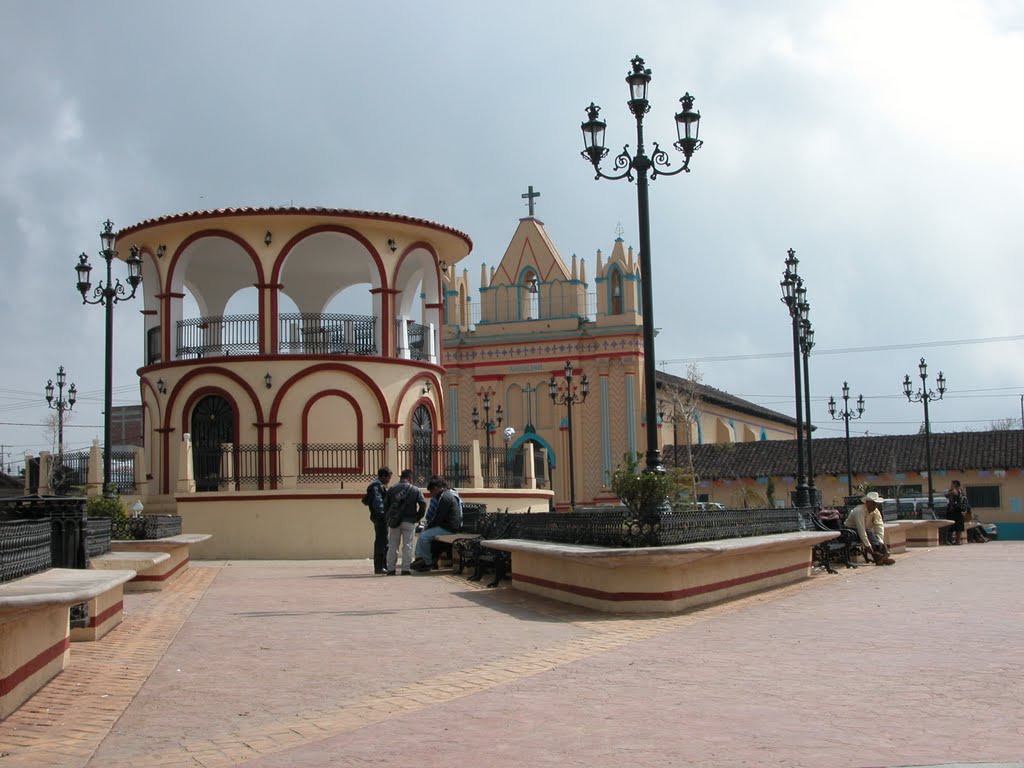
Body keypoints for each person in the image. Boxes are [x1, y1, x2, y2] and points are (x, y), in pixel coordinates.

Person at [410, 475, 461, 572]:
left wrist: (429, 525)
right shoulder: (444, 496)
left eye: (431, 491)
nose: (431, 494)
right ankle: (420, 558)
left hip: (449, 528)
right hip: (446, 526)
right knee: (423, 533)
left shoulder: (445, 498)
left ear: (436, 488)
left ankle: (427, 562)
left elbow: (438, 517)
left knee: (424, 536)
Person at [383, 469, 427, 575]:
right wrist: (418, 517)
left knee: (393, 545)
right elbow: (423, 504)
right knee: (408, 545)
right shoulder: (415, 490)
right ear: (410, 478)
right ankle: (405, 569)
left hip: (394, 522)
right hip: (409, 520)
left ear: (400, 477)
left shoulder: (392, 489)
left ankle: (391, 569)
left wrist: (390, 517)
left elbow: (386, 505)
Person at [844, 491, 895, 566]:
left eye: (876, 504)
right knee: (869, 531)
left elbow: (879, 525)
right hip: (851, 531)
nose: (874, 506)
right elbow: (861, 529)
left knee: (877, 535)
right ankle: (879, 556)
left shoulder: (876, 511)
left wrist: (880, 540)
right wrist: (867, 545)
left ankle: (882, 556)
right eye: (873, 503)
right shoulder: (859, 511)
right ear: (867, 502)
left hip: (866, 531)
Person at [365, 466, 392, 574]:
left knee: (383, 541)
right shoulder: (376, 486)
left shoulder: (377, 485)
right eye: (388, 477)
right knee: (382, 541)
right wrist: (384, 514)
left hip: (379, 517)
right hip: (380, 518)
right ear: (383, 476)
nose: (389, 480)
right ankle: (379, 566)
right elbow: (378, 502)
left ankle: (381, 566)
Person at [944, 480, 969, 545]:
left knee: (951, 526)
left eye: (952, 484)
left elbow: (946, 495)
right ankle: (958, 541)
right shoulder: (961, 491)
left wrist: (950, 490)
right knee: (959, 527)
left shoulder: (955, 491)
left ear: (955, 484)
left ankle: (951, 541)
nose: (950, 485)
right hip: (960, 511)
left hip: (954, 511)